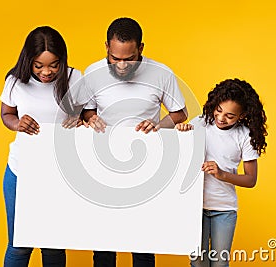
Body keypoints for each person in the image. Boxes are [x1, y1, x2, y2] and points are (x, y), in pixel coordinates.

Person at [81, 17, 188, 267]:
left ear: (141, 48)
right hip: (103, 167)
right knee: (104, 245)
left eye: (128, 59)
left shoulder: (162, 73)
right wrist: (91, 117)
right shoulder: (92, 73)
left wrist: (158, 126)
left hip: (147, 167)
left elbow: (179, 114)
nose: (121, 66)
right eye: (115, 58)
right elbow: (86, 110)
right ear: (106, 46)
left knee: (142, 244)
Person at [0, 26, 82, 267]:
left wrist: (81, 120)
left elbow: (89, 115)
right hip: (21, 171)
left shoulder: (75, 78)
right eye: (39, 65)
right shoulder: (15, 81)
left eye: (54, 65)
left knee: (53, 244)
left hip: (61, 172)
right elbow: (6, 113)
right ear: (29, 61)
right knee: (18, 244)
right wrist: (17, 123)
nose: (47, 72)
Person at [175, 78, 268, 267]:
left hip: (224, 209)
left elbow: (251, 180)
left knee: (219, 263)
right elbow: (178, 154)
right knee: (198, 262)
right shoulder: (200, 123)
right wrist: (181, 131)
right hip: (194, 206)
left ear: (242, 116)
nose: (221, 118)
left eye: (230, 115)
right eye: (218, 110)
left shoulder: (245, 136)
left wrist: (222, 174)